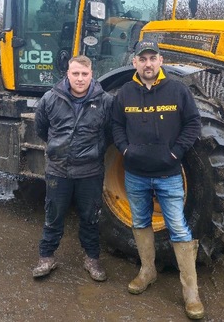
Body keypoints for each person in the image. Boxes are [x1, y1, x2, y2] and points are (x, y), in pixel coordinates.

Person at [111, 40, 204, 319]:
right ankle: (147, 271)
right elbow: (116, 124)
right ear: (135, 63)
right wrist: (125, 149)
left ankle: (191, 292)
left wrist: (175, 154)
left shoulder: (177, 90)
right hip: (136, 175)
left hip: (168, 175)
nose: (148, 63)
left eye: (152, 58)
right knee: (140, 221)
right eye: (143, 59)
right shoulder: (125, 92)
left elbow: (193, 124)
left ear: (160, 61)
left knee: (178, 227)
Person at [32, 55, 113, 282]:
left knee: (90, 217)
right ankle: (46, 257)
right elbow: (41, 128)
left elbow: (110, 133)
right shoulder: (50, 99)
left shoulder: (105, 101)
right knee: (53, 214)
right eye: (75, 73)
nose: (79, 79)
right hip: (59, 169)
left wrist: (94, 152)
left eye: (84, 74)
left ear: (91, 74)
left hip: (90, 171)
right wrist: (60, 150)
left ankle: (92, 259)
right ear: (67, 74)